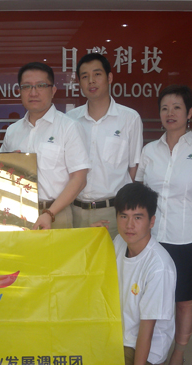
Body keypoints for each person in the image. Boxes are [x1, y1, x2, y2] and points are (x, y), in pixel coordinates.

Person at [136, 85, 192, 365]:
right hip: (152, 240)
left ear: (189, 113)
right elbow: (140, 193)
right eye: (164, 108)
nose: (169, 113)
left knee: (183, 300)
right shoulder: (150, 151)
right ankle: (154, 357)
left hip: (187, 239)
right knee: (152, 301)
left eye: (176, 107)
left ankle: (178, 354)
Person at [113, 182, 178, 365]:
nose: (129, 225)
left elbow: (146, 331)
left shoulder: (158, 266)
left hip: (143, 345)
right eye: (124, 216)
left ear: (152, 221)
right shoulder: (119, 242)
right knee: (78, 363)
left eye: (138, 217)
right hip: (119, 333)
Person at [0, 62, 89, 229]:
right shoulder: (12, 131)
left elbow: (79, 179)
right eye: (27, 86)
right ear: (20, 91)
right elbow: (0, 172)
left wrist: (49, 213)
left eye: (40, 85)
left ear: (53, 90)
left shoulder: (69, 127)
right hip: (17, 213)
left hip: (56, 214)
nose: (33, 92)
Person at [67, 53, 143, 237]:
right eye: (85, 76)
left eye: (97, 74)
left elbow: (133, 168)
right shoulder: (70, 120)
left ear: (109, 78)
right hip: (74, 211)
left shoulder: (129, 118)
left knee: (113, 257)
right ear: (79, 83)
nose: (91, 81)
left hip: (113, 212)